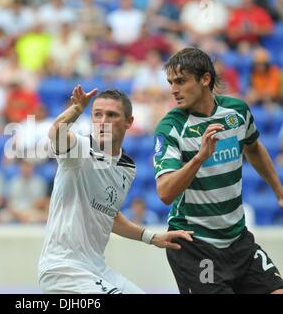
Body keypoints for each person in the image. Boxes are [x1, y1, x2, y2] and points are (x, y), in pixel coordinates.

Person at [38, 85, 194, 294]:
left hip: (96, 269)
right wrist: (77, 109)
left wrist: (152, 238)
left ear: (129, 122)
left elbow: (109, 215)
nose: (103, 122)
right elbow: (55, 133)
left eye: (111, 115)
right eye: (97, 115)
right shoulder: (78, 149)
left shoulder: (127, 168)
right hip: (64, 269)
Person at [154, 47, 283, 294]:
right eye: (170, 82)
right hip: (195, 243)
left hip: (238, 239)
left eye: (181, 81)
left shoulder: (237, 112)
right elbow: (165, 192)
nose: (173, 89)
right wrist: (199, 158)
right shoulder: (170, 127)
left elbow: (253, 147)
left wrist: (279, 190)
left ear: (205, 79)